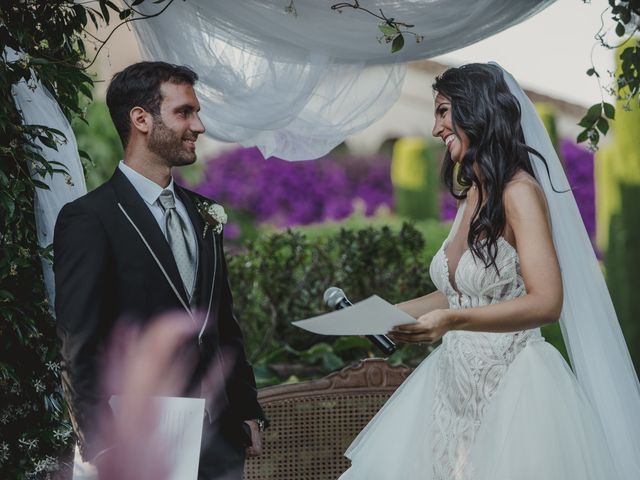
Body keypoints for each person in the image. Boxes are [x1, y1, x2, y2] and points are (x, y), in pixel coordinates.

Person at [338, 63, 640, 479]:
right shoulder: (473, 195)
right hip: (450, 386)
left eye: (443, 112)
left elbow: (547, 301)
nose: (436, 128)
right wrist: (384, 314)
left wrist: (453, 321)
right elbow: (462, 292)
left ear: (475, 111)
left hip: (514, 387)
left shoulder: (520, 193)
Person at [54, 61, 266, 480]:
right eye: (184, 112)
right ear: (141, 119)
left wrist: (246, 409)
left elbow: (222, 321)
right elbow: (78, 341)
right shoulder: (90, 218)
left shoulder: (204, 214)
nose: (199, 126)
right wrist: (104, 441)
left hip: (220, 436)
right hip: (139, 439)